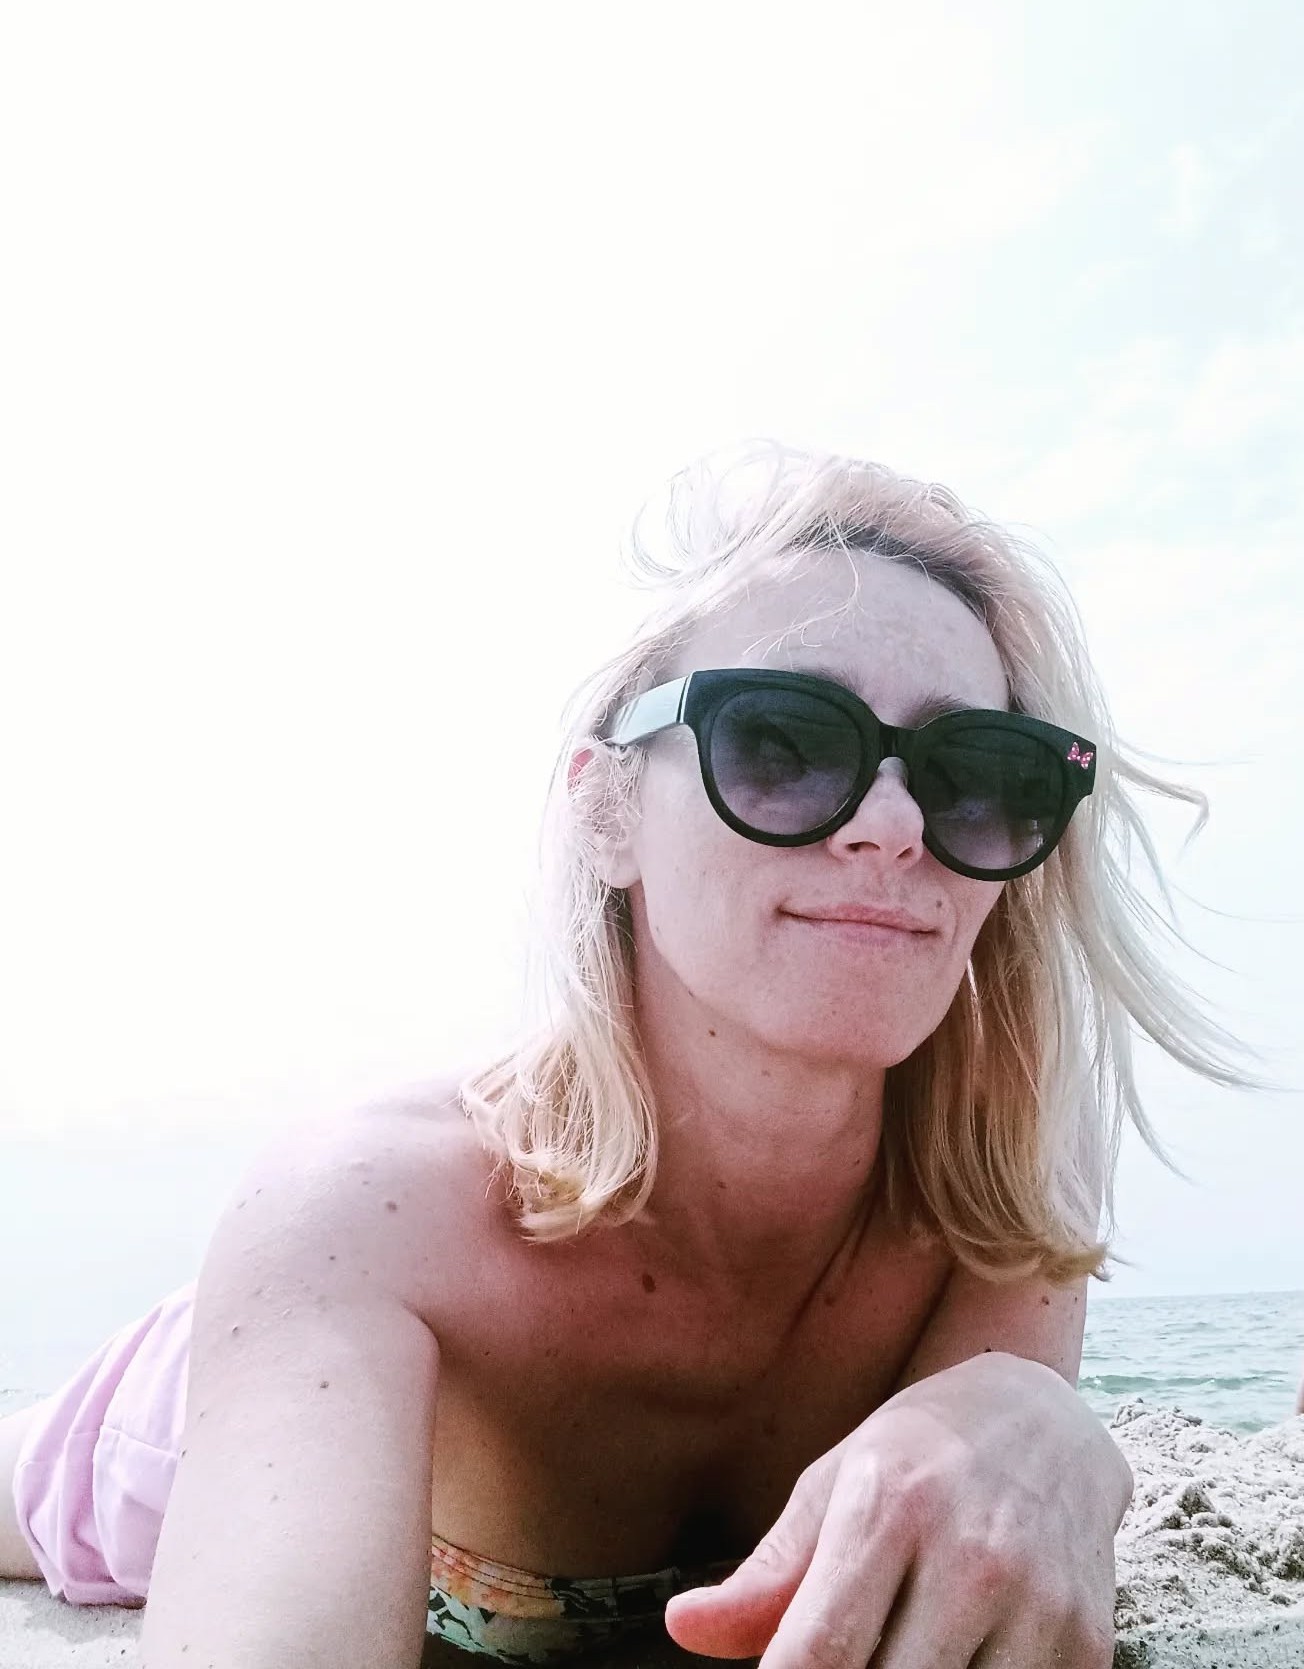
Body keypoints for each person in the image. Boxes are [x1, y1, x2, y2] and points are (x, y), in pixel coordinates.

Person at [0, 443, 1248, 1668]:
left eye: (973, 773)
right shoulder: (369, 1210)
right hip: (198, 1402)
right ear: (606, 809)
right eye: (781, 743)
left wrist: (1039, 1418)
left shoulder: (994, 1213)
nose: (890, 823)